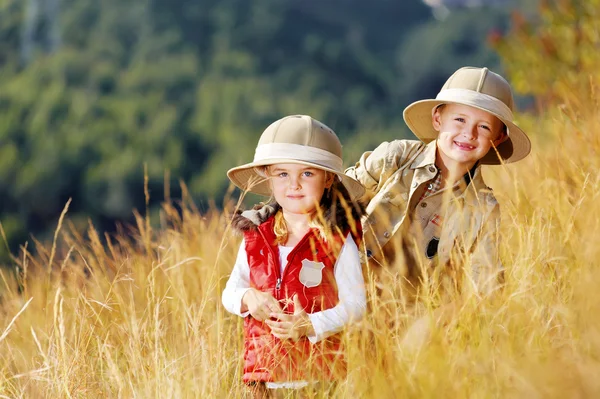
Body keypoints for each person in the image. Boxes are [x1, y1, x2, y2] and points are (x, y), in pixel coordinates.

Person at [345, 67, 531, 341]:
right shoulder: (396, 158)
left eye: (483, 127)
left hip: (405, 320)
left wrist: (439, 320)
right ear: (437, 119)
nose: (468, 134)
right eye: (459, 119)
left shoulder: (483, 208)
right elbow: (332, 197)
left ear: (498, 139)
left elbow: (486, 283)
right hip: (343, 291)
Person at [222, 115, 367, 397]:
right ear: (268, 175)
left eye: (307, 174)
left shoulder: (336, 239)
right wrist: (248, 298)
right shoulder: (256, 236)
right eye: (283, 174)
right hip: (262, 377)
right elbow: (231, 291)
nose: (294, 184)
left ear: (328, 179)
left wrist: (310, 324)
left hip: (318, 376)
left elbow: (356, 305)